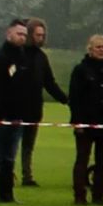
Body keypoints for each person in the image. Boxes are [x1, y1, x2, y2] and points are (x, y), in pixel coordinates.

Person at [68, 34, 103, 206]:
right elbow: (75, 98)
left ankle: (98, 195)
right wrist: (77, 122)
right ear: (90, 49)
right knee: (82, 158)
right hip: (86, 121)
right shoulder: (80, 70)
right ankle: (79, 196)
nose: (101, 50)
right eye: (98, 47)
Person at [0, 18, 31, 203]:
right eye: (19, 34)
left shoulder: (25, 60)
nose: (22, 38)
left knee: (10, 157)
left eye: (25, 35)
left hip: (17, 118)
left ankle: (7, 194)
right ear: (8, 33)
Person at [20, 18, 68, 187]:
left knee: (28, 146)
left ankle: (27, 176)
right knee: (9, 145)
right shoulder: (18, 54)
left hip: (34, 109)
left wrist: (66, 100)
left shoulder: (41, 57)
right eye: (37, 35)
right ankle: (6, 175)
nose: (40, 38)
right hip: (14, 108)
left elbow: (49, 83)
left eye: (42, 35)